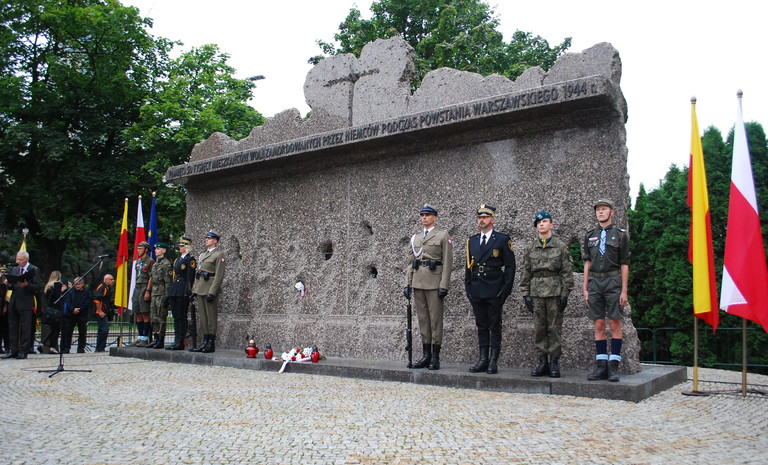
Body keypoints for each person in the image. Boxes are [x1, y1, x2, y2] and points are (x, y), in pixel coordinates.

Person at [519, 212, 574, 378]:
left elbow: (566, 271)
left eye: (544, 221)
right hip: (536, 292)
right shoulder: (530, 247)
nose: (541, 224)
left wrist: (565, 294)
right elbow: (526, 271)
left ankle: (554, 361)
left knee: (554, 328)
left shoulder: (560, 246)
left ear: (551, 225)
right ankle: (542, 361)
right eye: (538, 222)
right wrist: (525, 294)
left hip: (554, 292)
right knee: (539, 328)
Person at [583, 199, 630, 382]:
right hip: (595, 282)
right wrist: (585, 288)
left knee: (615, 323)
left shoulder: (620, 235)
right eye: (598, 210)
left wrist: (624, 290)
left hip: (613, 281)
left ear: (612, 212)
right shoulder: (590, 235)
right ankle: (601, 365)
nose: (600, 212)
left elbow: (624, 263)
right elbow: (587, 263)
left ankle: (613, 366)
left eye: (604, 209)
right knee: (598, 324)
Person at [465, 205, 516, 374]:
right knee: (481, 325)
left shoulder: (502, 239)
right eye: (479, 217)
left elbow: (510, 266)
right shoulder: (472, 241)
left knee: (494, 325)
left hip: (494, 288)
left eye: (485, 217)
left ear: (492, 219)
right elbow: (468, 267)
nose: (482, 220)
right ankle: (483, 359)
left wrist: (506, 289)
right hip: (477, 288)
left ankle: (493, 360)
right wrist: (468, 287)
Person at [402, 204, 453, 370]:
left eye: (427, 215)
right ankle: (426, 355)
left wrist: (444, 285)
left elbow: (448, 262)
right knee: (423, 320)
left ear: (434, 218)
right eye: (422, 215)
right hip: (418, 282)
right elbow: (410, 263)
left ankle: (435, 356)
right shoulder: (415, 238)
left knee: (435, 320)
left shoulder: (443, 235)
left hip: (434, 283)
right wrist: (408, 284)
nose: (424, 217)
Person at [2, 251, 42, 359]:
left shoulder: (34, 270)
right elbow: (12, 287)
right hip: (14, 301)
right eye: (17, 259)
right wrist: (8, 284)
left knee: (25, 328)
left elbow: (38, 286)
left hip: (26, 302)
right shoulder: (15, 269)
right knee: (13, 327)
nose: (18, 261)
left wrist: (27, 285)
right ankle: (14, 350)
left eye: (20, 259)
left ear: (26, 260)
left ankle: (24, 350)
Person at [190, 232, 225, 353]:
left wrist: (213, 291)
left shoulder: (219, 255)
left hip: (210, 288)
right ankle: (205, 340)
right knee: (203, 316)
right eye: (206, 238)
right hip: (201, 288)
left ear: (215, 241)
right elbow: (199, 274)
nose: (206, 240)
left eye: (209, 238)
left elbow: (219, 275)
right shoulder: (202, 255)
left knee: (211, 316)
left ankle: (211, 342)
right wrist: (195, 290)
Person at [167, 237, 196, 350]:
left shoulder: (190, 260)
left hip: (183, 288)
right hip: (175, 288)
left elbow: (190, 277)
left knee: (181, 316)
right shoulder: (177, 260)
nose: (180, 247)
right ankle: (176, 339)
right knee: (176, 317)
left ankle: (180, 341)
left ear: (187, 247)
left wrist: (187, 291)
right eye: (180, 245)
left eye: (182, 246)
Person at [147, 243, 172, 349]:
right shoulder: (155, 264)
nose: (156, 250)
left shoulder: (166, 264)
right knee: (154, 317)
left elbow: (168, 281)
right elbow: (152, 279)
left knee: (161, 317)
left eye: (158, 249)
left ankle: (161, 339)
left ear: (164, 251)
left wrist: (167, 295)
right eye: (155, 249)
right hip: (154, 293)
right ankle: (155, 337)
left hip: (162, 293)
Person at [130, 241, 154, 347]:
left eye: (140, 248)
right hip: (137, 287)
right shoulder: (138, 262)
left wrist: (148, 291)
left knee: (145, 313)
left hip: (144, 287)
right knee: (138, 313)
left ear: (146, 250)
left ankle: (145, 337)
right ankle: (139, 337)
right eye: (138, 248)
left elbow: (151, 277)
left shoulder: (150, 261)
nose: (138, 250)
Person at [61, 278, 92, 354]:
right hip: (71, 314)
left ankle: (81, 348)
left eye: (79, 284)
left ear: (83, 284)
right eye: (76, 284)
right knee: (68, 332)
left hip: (82, 315)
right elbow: (68, 302)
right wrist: (72, 309)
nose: (77, 285)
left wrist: (80, 309)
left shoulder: (86, 292)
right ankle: (66, 348)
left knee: (82, 332)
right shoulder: (70, 292)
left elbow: (87, 303)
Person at [39, 271, 66, 354]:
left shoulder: (48, 286)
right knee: (56, 329)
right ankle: (52, 346)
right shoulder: (57, 285)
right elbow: (58, 297)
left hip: (49, 309)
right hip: (56, 310)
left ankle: (43, 343)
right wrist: (63, 291)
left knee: (53, 328)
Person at [92, 274, 114, 352]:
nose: (113, 281)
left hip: (104, 311)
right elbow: (96, 299)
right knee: (104, 329)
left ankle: (101, 347)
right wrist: (100, 311)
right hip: (101, 312)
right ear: (106, 279)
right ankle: (100, 348)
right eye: (111, 279)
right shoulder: (102, 287)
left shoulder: (106, 287)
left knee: (103, 330)